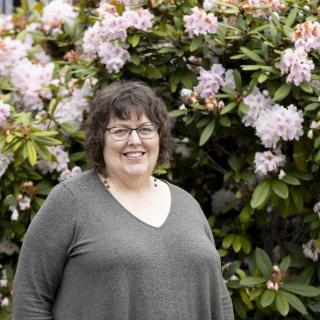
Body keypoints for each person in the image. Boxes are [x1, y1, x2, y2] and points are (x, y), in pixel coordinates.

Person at [12, 81, 234, 320]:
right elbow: (30, 300)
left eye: (146, 129)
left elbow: (220, 301)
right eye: (121, 130)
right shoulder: (70, 202)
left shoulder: (187, 204)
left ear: (159, 137)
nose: (135, 140)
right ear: (100, 139)